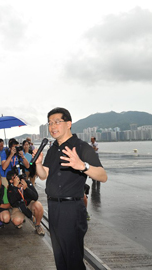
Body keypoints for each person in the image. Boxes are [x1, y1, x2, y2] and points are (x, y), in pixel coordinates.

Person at [34, 107, 107, 270]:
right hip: (54, 207)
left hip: (72, 209)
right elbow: (43, 175)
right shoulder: (53, 148)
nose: (52, 126)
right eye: (50, 123)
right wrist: (38, 164)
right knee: (60, 257)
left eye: (57, 122)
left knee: (73, 259)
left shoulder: (81, 147)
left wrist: (83, 166)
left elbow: (103, 175)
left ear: (69, 124)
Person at [6, 171, 45, 235]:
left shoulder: (26, 183)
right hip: (18, 207)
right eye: (14, 177)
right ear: (11, 181)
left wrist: (26, 188)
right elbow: (12, 203)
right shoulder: (10, 188)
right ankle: (21, 219)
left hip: (29, 204)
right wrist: (15, 188)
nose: (17, 178)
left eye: (17, 176)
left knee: (38, 205)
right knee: (16, 221)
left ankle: (38, 225)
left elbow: (35, 197)